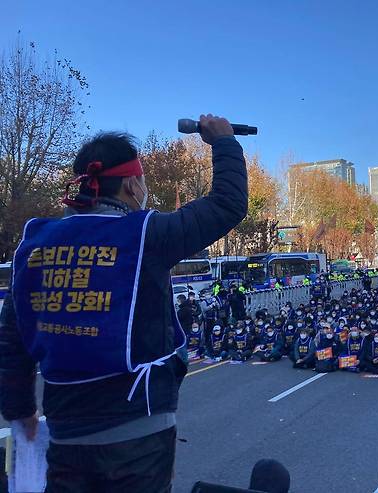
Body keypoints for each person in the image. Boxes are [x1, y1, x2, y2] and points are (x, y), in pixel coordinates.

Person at [0, 116, 247, 492]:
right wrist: (224, 142)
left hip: (64, 433)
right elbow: (227, 204)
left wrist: (20, 411)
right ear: (132, 184)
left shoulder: (35, 243)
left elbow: (13, 341)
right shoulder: (148, 233)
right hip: (139, 431)